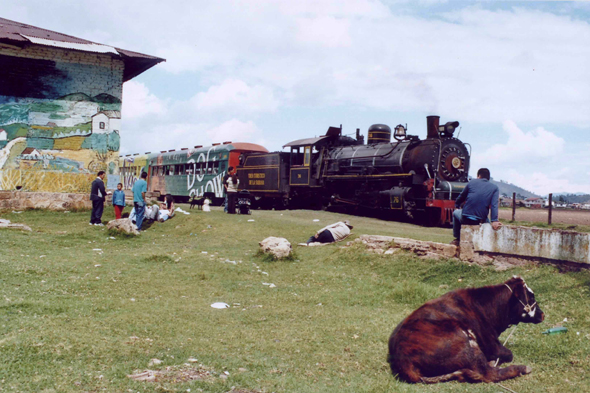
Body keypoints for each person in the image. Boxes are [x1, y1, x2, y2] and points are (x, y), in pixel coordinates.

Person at [451, 168, 502, 245]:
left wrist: (457, 205)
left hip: (465, 218)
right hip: (480, 220)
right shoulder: (494, 188)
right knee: (487, 223)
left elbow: (461, 196)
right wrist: (494, 220)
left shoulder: (471, 183)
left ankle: (457, 238)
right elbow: (494, 205)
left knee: (455, 213)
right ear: (488, 178)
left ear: (478, 176)